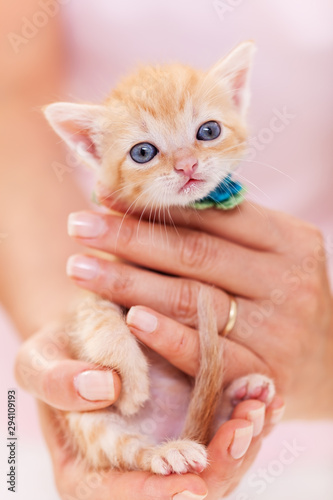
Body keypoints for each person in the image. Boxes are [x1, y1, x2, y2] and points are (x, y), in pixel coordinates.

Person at [2, 1, 332, 498]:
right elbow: (10, 100)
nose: (185, 164)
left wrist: (323, 372)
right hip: (39, 297)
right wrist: (69, 355)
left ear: (238, 99)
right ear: (93, 151)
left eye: (206, 132)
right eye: (144, 151)